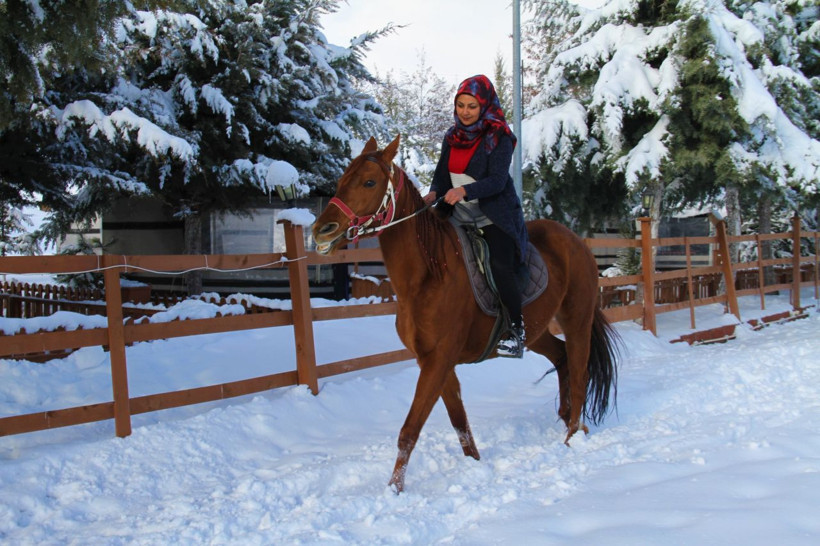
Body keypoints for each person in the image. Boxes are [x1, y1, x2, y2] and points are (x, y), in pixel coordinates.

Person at [423, 74, 529, 358]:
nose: (465, 112)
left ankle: (516, 331)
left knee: (499, 265)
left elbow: (497, 180)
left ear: (484, 105)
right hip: (457, 212)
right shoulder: (451, 135)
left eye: (472, 106)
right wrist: (435, 193)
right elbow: (442, 175)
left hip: (492, 215)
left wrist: (464, 191)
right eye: (460, 105)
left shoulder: (498, 136)